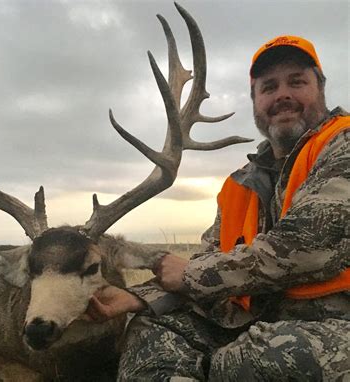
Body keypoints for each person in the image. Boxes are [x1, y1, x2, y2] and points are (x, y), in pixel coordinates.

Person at [85, 35, 350, 381]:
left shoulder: (341, 144)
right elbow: (209, 263)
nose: (282, 94)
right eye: (269, 87)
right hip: (252, 323)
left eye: (297, 82)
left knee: (253, 360)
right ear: (256, 101)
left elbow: (307, 248)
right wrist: (136, 297)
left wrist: (190, 275)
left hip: (333, 325)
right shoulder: (238, 185)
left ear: (322, 88)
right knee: (152, 330)